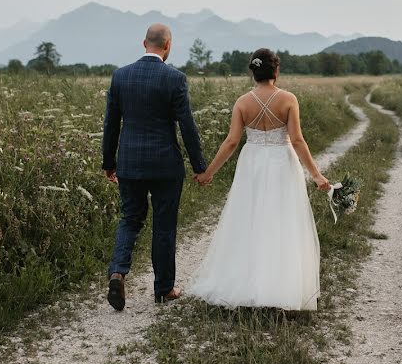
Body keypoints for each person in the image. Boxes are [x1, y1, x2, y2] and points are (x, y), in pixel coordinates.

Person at [188, 48, 331, 310]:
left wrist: (209, 173)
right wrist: (316, 175)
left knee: (249, 219)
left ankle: (246, 284)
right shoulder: (288, 99)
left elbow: (231, 142)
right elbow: (297, 141)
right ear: (276, 70)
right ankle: (281, 288)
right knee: (282, 221)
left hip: (252, 162)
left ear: (252, 72)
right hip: (281, 162)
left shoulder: (243, 102)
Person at [101, 23, 208, 310]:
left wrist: (108, 163)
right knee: (164, 225)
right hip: (165, 166)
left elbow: (111, 125)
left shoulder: (120, 77)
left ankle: (118, 271)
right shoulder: (175, 79)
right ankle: (163, 289)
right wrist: (200, 166)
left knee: (130, 219)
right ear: (168, 45)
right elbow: (188, 127)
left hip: (129, 163)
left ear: (143, 43)